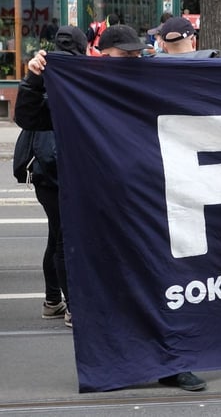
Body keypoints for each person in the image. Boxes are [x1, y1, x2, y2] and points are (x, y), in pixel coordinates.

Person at [18, 25, 207, 392]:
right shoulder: (82, 92)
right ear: (101, 55)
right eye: (125, 56)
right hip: (100, 210)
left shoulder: (149, 82)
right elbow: (30, 118)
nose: (134, 61)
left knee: (162, 287)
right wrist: (34, 78)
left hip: (149, 208)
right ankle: (116, 365)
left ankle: (172, 363)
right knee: (110, 293)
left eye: (137, 54)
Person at [14, 26, 89, 329]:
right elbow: (28, 115)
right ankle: (70, 306)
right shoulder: (74, 74)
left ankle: (52, 301)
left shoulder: (47, 68)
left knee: (56, 234)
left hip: (43, 169)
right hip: (55, 169)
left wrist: (33, 76)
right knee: (62, 239)